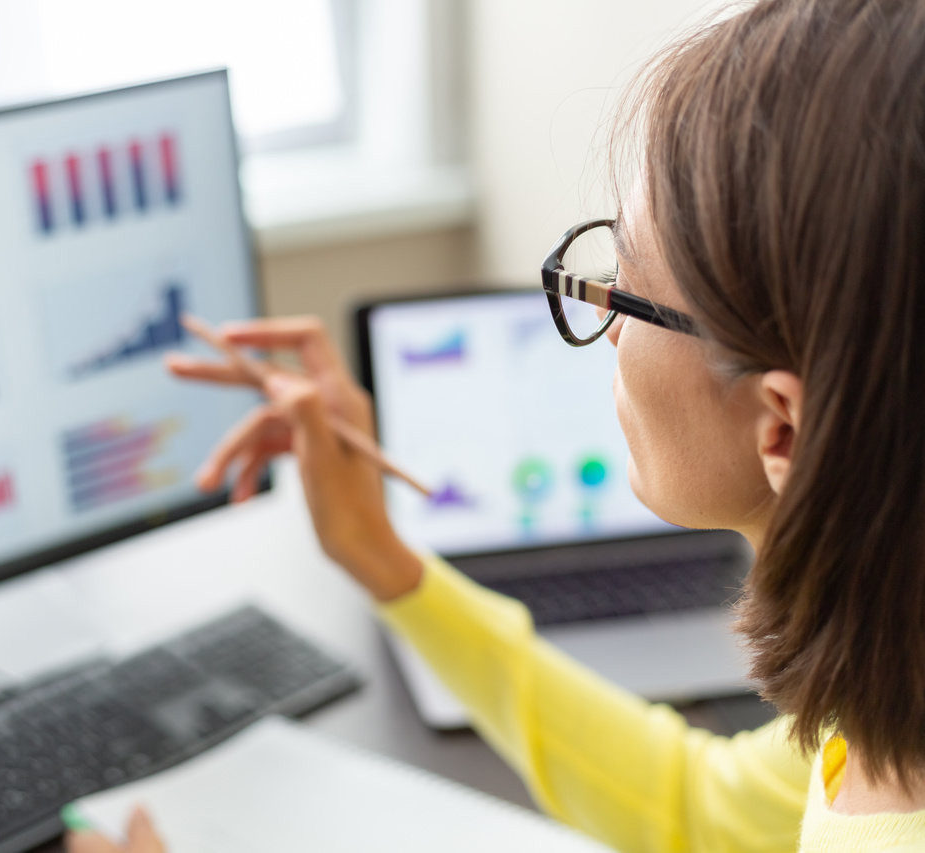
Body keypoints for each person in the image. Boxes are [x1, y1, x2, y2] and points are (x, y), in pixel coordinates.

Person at [67, 0, 925, 850]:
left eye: (626, 291)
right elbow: (697, 807)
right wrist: (382, 555)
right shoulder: (884, 698)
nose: (611, 332)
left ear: (782, 431)